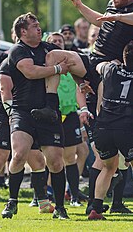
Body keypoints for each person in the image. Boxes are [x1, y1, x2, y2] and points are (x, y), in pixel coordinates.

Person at [65, 0, 133, 212]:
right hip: (96, 63)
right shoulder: (113, 7)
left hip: (110, 71)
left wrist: (117, 16)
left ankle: (105, 203)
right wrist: (81, 6)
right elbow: (100, 19)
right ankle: (96, 204)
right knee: (65, 58)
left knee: (109, 152)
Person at [0, 13, 89, 220]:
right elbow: (31, 72)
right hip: (23, 111)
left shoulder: (49, 49)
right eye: (34, 26)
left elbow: (71, 64)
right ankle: (12, 201)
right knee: (19, 154)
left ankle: (60, 207)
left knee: (56, 162)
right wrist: (58, 68)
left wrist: (81, 82)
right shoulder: (17, 51)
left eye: (39, 25)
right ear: (23, 31)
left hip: (49, 111)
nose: (39, 29)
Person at [87, 41, 133, 220]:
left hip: (103, 127)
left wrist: (116, 63)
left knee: (108, 168)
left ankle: (95, 209)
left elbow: (99, 66)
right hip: (127, 128)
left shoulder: (110, 70)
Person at [0, 58, 54, 215]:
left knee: (37, 160)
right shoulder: (8, 64)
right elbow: (5, 92)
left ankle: (43, 203)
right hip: (5, 116)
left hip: (26, 115)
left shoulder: (36, 63)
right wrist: (12, 115)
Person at [46, 32, 88, 207]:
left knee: (70, 157)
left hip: (69, 115)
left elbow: (79, 89)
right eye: (53, 41)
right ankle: (43, 195)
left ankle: (74, 195)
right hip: (51, 115)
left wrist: (83, 109)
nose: (57, 43)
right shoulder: (45, 65)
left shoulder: (72, 65)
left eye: (59, 41)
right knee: (49, 158)